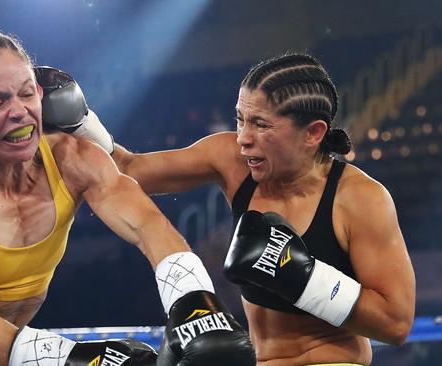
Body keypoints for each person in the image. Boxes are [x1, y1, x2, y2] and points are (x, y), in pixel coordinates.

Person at [0, 26, 255, 366]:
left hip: (7, 355)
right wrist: (81, 359)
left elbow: (148, 225)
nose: (19, 111)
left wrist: (197, 306)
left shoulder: (74, 160)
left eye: (26, 93)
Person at [55, 53, 416, 366]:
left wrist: (305, 278)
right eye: (241, 119)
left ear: (313, 133)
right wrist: (79, 121)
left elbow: (395, 324)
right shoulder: (232, 160)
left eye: (261, 124)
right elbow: (129, 169)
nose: (243, 136)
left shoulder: (360, 199)